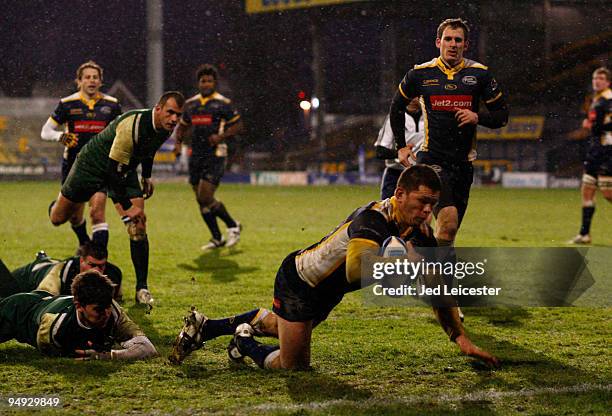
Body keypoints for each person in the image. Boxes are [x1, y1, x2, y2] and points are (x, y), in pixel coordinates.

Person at [170, 165, 500, 370]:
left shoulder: (419, 232)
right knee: (293, 366)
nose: (428, 211)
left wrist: (459, 337)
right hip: (301, 282)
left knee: (275, 325)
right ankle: (246, 345)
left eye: (432, 204)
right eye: (422, 201)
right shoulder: (373, 221)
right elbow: (357, 269)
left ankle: (207, 326)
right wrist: (398, 258)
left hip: (328, 291)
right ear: (399, 194)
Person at [49, 91, 185, 307]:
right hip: (91, 166)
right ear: (158, 109)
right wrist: (128, 207)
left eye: (178, 114)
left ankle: (142, 288)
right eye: (170, 113)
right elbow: (111, 173)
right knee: (57, 218)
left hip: (124, 168)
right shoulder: (132, 125)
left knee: (138, 224)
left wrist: (146, 177)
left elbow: (149, 150)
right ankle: (60, 206)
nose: (174, 119)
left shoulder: (165, 126)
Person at [389, 18, 508, 250]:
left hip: (463, 165)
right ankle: (431, 278)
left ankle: (428, 276)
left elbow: (502, 116)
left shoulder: (480, 75)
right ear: (438, 42)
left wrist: (478, 117)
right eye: (448, 39)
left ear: (466, 45)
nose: (453, 44)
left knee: (447, 233)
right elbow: (396, 107)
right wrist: (400, 146)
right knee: (448, 220)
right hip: (431, 161)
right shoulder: (420, 74)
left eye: (458, 40)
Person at [41, 61, 122, 249]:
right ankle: (83, 240)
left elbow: (121, 131)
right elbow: (45, 131)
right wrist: (60, 136)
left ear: (101, 81)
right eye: (87, 77)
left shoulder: (112, 105)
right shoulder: (67, 104)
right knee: (62, 218)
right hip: (73, 168)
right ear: (79, 81)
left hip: (100, 168)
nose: (91, 80)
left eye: (95, 77)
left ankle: (98, 261)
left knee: (97, 213)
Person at [0, 269, 157, 360]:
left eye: (108, 306)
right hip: (17, 310)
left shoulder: (113, 311)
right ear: (79, 306)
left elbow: (148, 349)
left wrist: (107, 356)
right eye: (98, 309)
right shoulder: (56, 328)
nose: (106, 313)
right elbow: (53, 353)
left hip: (45, 301)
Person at [174, 64, 244, 251]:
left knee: (205, 196)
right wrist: (178, 143)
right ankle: (216, 237)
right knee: (200, 199)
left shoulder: (223, 103)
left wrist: (220, 136)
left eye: (209, 81)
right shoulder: (191, 104)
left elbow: (238, 126)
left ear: (215, 83)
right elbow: (182, 126)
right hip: (196, 154)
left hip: (216, 154)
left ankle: (232, 226)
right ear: (198, 83)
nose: (206, 84)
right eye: (203, 81)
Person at [568, 67, 612, 244]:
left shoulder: (608, 99)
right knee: (587, 190)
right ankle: (584, 234)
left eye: (601, 78)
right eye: (595, 78)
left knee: (608, 194)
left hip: (607, 150)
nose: (597, 81)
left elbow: (605, 125)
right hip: (595, 150)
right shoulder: (597, 99)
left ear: (608, 82)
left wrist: (590, 126)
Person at [0, 241, 122, 301]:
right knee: (8, 299)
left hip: (48, 264)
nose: (97, 271)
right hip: (27, 277)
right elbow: (44, 304)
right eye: (92, 265)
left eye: (101, 266)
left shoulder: (113, 273)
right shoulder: (61, 275)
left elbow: (116, 299)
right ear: (81, 261)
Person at [375, 97, 424, 199]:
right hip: (395, 175)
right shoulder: (394, 117)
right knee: (389, 214)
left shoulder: (430, 118)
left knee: (421, 213)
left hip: (420, 175)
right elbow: (380, 151)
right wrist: (400, 153)